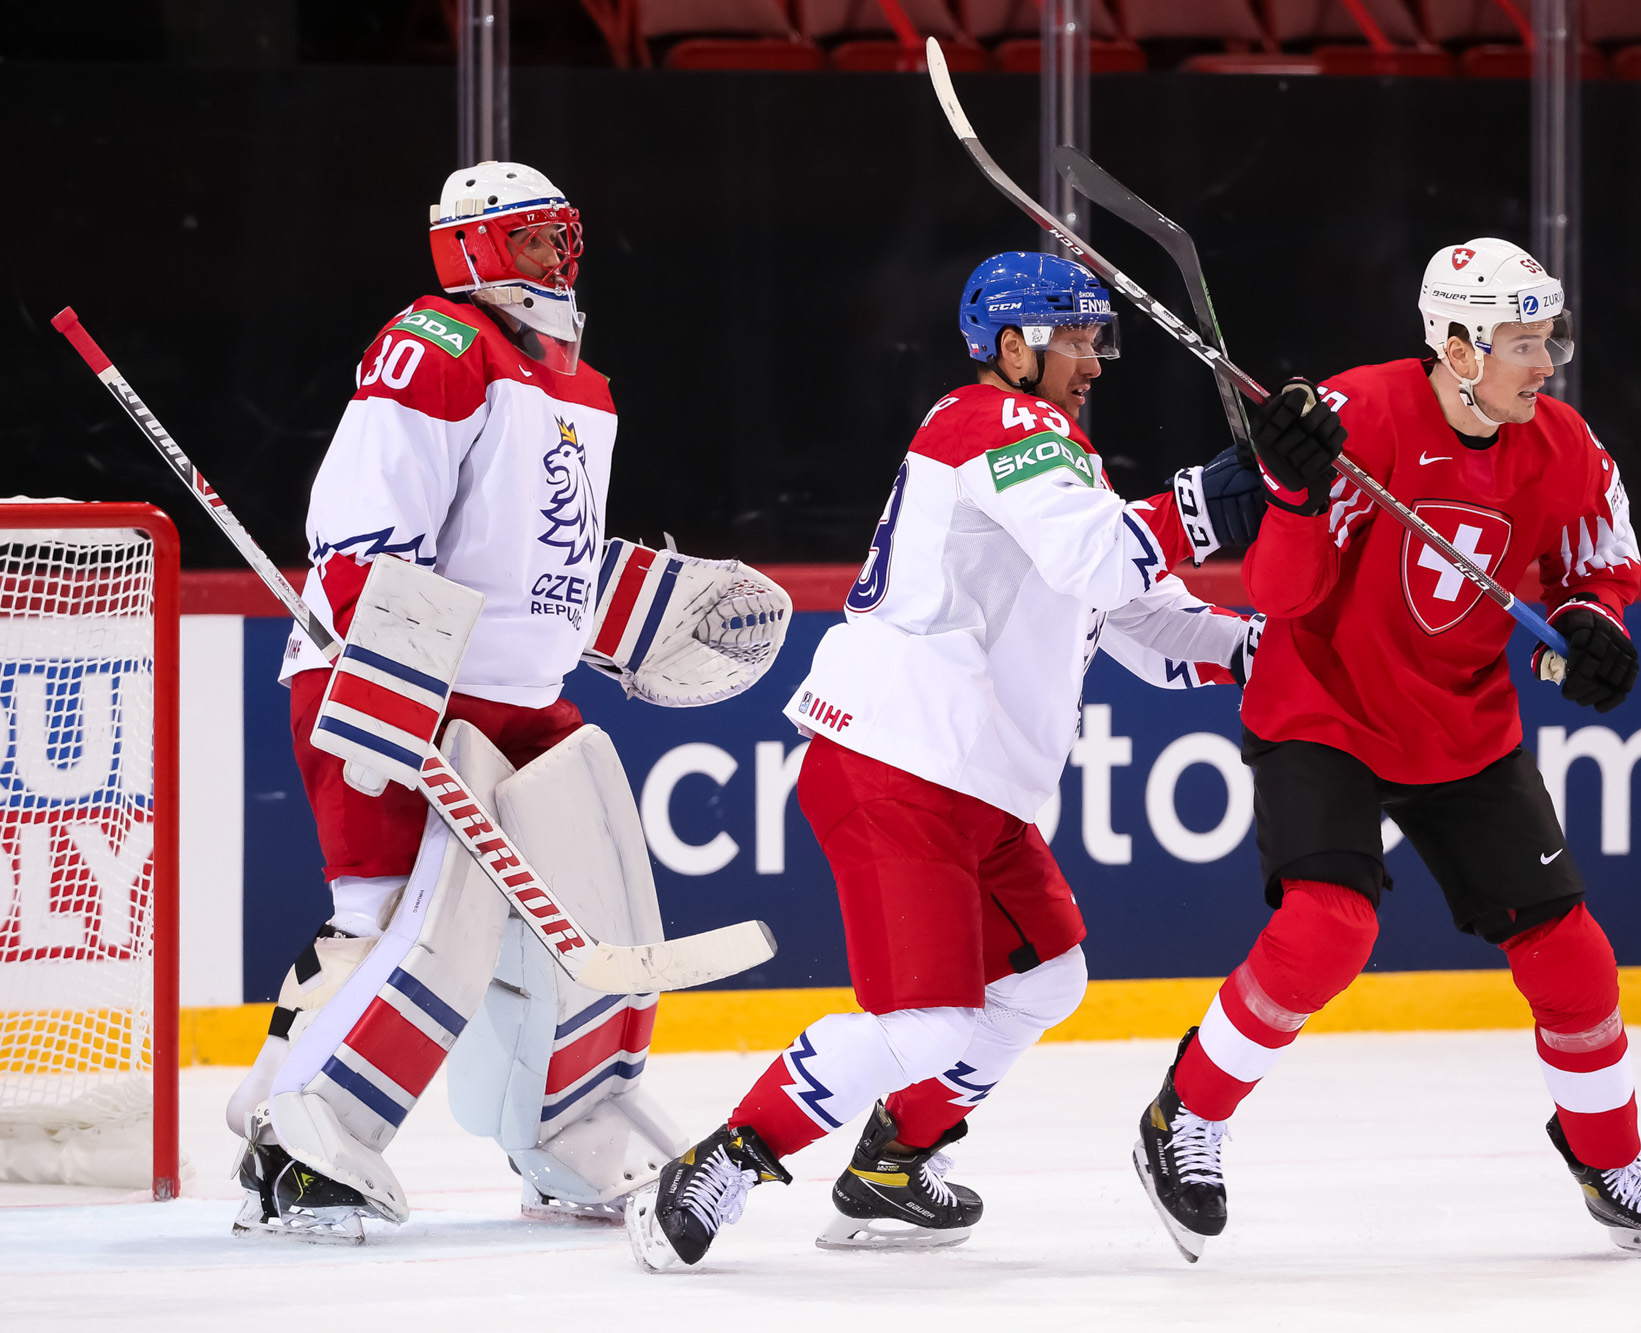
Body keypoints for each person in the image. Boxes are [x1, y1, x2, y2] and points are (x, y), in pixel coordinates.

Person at [626, 251, 1267, 1270]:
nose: (1094, 363)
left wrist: (1252, 645)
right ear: (1010, 346)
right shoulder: (989, 422)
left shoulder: (1056, 461)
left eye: (1097, 340)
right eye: (1075, 338)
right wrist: (1211, 501)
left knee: (1046, 976)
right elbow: (1101, 556)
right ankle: (727, 1158)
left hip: (972, 783)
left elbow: (1136, 614)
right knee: (922, 1024)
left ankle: (891, 1162)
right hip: (902, 758)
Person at [1131, 238, 1641, 1262]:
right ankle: (1181, 1118)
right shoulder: (1353, 415)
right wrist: (1289, 491)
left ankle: (1608, 1160)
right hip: (1321, 708)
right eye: (1519, 343)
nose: (1543, 363)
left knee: (1570, 954)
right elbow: (1279, 600)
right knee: (1325, 929)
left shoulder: (1566, 446)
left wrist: (1592, 623)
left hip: (1461, 724)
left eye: (1548, 339)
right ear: (1455, 347)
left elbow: (1595, 565)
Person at [223, 161, 787, 1241]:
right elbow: (362, 523)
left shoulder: (581, 383)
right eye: (533, 240)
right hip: (397, 678)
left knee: (596, 910)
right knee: (395, 925)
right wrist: (391, 671)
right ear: (474, 249)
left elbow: (544, 551)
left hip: (526, 695)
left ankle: (569, 1129)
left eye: (562, 237)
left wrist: (614, 607)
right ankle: (297, 1144)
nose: (557, 260)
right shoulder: (434, 342)